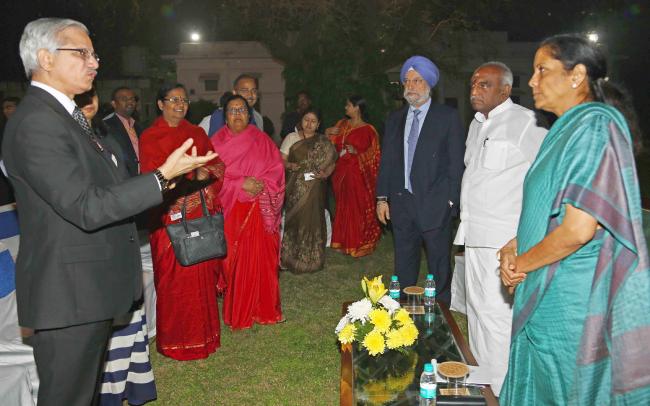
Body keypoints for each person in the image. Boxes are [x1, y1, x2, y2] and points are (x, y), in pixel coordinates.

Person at [2, 18, 215, 405]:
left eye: (94, 54)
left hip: (87, 290)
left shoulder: (68, 119)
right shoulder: (36, 122)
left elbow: (110, 188)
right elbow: (86, 205)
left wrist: (165, 180)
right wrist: (162, 176)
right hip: (68, 295)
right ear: (45, 58)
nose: (94, 62)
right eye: (81, 53)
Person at [498, 34, 650, 404]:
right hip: (548, 281)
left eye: (542, 70)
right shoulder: (564, 131)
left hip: (570, 298)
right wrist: (514, 246)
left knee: (563, 390)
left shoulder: (594, 126)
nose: (532, 81)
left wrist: (522, 263)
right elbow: (551, 210)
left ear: (577, 75)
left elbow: (580, 228)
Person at [452, 61, 547, 395]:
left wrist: (526, 233)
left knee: (498, 316)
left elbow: (547, 174)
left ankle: (506, 389)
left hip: (504, 241)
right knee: (476, 311)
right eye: (473, 84)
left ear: (505, 90)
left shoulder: (525, 122)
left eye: (485, 85)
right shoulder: (476, 125)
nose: (475, 90)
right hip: (473, 235)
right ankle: (484, 383)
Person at [75, 87, 157, 404]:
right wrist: (159, 180)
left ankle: (130, 385)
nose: (86, 104)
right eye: (77, 98)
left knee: (126, 324)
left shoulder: (104, 138)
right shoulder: (53, 142)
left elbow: (122, 185)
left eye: (89, 97)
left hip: (119, 240)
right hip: (88, 247)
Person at [139, 84, 225, 360]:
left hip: (199, 215)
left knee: (200, 274)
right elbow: (151, 179)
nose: (180, 104)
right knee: (173, 280)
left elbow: (217, 165)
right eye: (174, 99)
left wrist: (204, 175)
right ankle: (176, 341)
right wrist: (187, 182)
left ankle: (205, 337)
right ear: (160, 104)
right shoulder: (151, 137)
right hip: (167, 219)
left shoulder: (196, 133)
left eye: (184, 100)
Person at [376, 56, 464, 304]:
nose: (411, 86)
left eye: (417, 80)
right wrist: (382, 198)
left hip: (436, 203)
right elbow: (387, 161)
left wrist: (451, 202)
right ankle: (402, 311)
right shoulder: (395, 119)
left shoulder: (447, 117)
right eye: (407, 81)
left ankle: (441, 311)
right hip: (402, 203)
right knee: (404, 261)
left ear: (429, 84)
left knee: (438, 263)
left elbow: (456, 163)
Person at [211, 94, 284, 330]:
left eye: (242, 109)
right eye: (232, 110)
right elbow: (210, 177)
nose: (237, 114)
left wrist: (262, 186)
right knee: (234, 262)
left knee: (263, 261)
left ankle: (265, 310)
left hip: (259, 209)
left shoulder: (261, 140)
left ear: (249, 114)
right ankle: (240, 312)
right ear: (225, 116)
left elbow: (277, 170)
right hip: (232, 211)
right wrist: (240, 183)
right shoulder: (215, 143)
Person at [280, 108, 337, 273]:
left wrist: (325, 173)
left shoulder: (323, 141)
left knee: (313, 221)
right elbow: (281, 159)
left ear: (318, 124)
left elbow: (332, 162)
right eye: (306, 120)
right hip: (294, 188)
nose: (309, 124)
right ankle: (290, 259)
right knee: (294, 221)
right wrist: (289, 165)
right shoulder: (291, 138)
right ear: (301, 121)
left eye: (313, 121)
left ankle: (312, 260)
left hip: (315, 189)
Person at [327, 95, 381, 257]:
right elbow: (329, 145)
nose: (346, 108)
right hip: (340, 172)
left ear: (357, 107)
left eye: (348, 105)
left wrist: (357, 153)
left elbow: (375, 155)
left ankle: (357, 243)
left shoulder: (369, 130)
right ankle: (341, 242)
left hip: (358, 175)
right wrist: (327, 132)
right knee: (342, 206)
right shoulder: (341, 124)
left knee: (356, 208)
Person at [199, 74, 266, 138]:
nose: (250, 95)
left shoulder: (258, 118)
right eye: (245, 91)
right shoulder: (212, 120)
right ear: (234, 93)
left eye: (254, 91)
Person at [103, 86, 142, 177]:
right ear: (114, 104)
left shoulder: (138, 126)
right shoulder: (106, 126)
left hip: (141, 177)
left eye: (132, 99)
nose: (130, 102)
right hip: (121, 178)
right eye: (124, 99)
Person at [0, 97, 20, 205]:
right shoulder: (4, 128)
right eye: (3, 108)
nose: (5, 111)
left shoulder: (26, 125)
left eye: (8, 107)